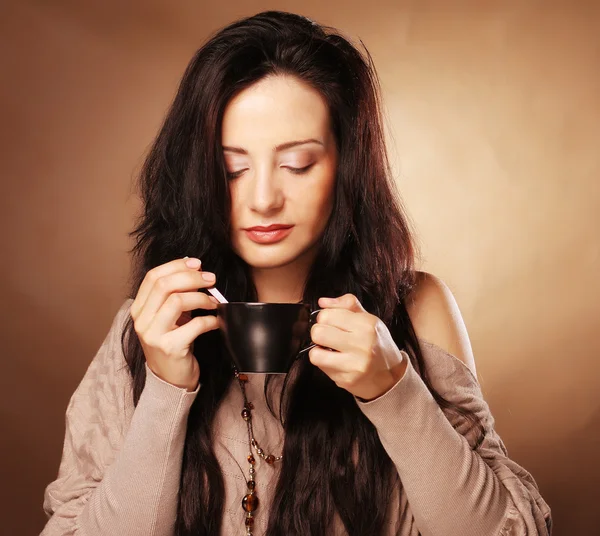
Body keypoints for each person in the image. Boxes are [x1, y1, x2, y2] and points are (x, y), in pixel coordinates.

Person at [41, 10, 552, 536]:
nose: (263, 199)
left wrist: (394, 392)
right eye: (233, 169)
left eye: (298, 164)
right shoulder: (152, 326)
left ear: (346, 165)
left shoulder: (415, 310)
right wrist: (166, 389)